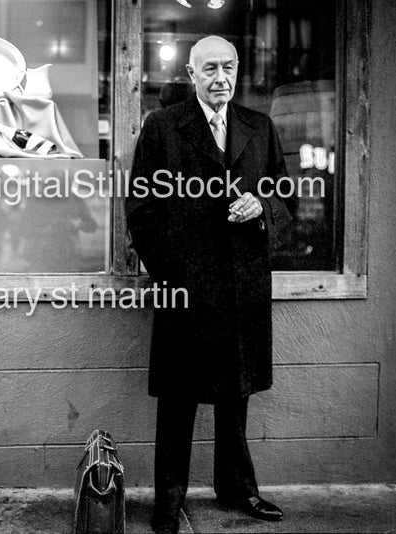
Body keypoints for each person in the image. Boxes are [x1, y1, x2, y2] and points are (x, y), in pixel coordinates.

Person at [126, 36, 297, 534]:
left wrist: (260, 208)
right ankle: (169, 499)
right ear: (191, 73)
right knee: (179, 398)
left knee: (235, 395)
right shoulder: (162, 127)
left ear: (237, 70)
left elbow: (287, 200)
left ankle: (238, 488)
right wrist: (175, 275)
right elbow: (140, 211)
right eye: (210, 69)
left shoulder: (258, 128)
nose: (221, 78)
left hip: (243, 288)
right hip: (186, 288)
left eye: (228, 68)